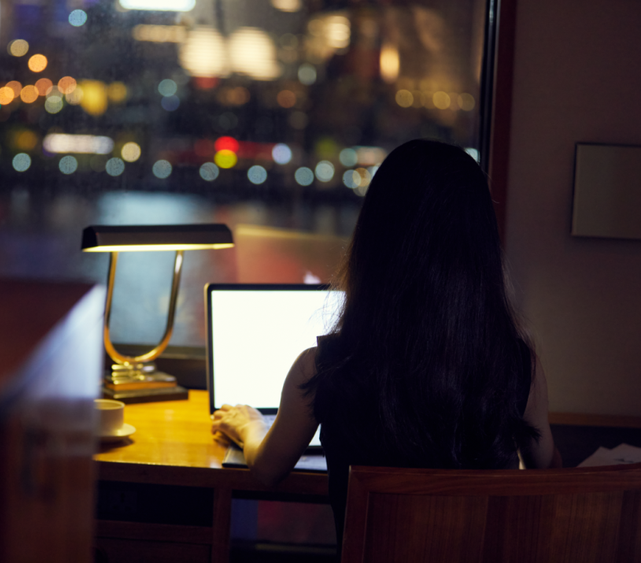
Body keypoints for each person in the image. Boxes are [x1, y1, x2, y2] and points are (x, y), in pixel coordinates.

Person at [210, 139, 561, 545]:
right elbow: (548, 470)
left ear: (373, 243)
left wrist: (250, 425)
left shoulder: (325, 367)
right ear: (481, 249)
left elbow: (269, 470)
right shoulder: (518, 367)